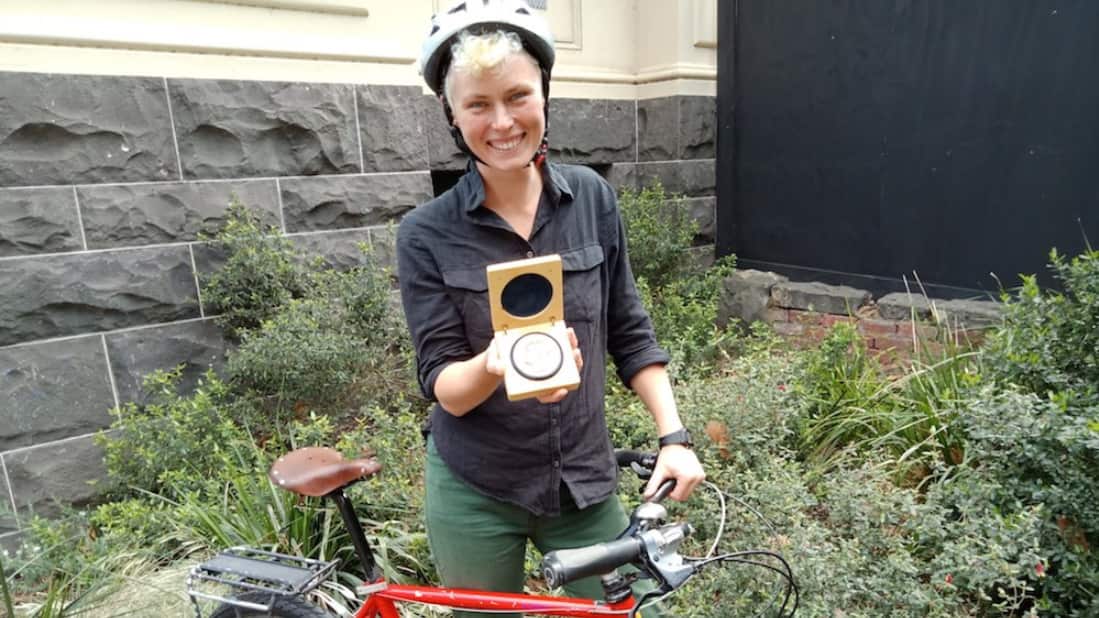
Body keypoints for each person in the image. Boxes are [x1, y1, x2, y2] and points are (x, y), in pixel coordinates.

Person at [396, 1, 705, 616]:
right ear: (451, 115)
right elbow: (446, 390)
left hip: (584, 484)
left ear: (545, 92)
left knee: (635, 611)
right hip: (476, 491)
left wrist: (674, 437)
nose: (502, 121)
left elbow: (630, 331)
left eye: (518, 96)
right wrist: (497, 362)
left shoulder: (592, 198)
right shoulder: (425, 233)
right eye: (478, 104)